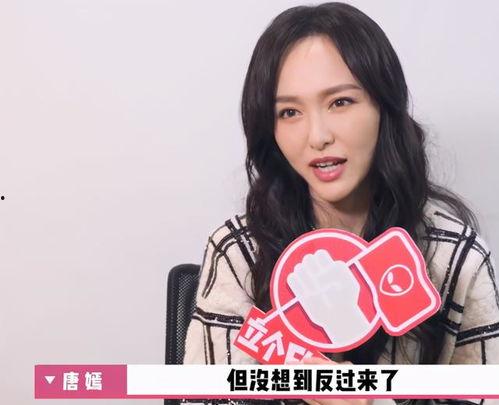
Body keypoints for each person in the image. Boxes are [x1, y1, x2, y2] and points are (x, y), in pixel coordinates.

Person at [182, 2, 499, 404]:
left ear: (384, 107)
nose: (317, 136)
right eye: (289, 112)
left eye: (340, 102)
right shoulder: (239, 252)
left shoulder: (455, 257)